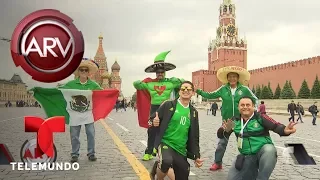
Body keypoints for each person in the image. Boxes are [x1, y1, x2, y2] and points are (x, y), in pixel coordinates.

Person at [218, 96, 297, 180]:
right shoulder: (235, 120)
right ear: (238, 107)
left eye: (248, 105)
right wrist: (223, 129)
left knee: (269, 149)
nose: (245, 107)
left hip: (262, 153)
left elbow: (276, 126)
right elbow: (221, 135)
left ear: (253, 106)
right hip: (245, 156)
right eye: (242, 105)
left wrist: (285, 130)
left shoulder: (260, 117)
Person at [196, 66, 258, 171]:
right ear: (227, 78)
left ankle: (247, 163)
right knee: (222, 143)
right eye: (230, 77)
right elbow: (211, 95)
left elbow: (255, 99)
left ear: (238, 78)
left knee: (244, 143)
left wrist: (251, 112)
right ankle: (217, 163)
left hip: (241, 120)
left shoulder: (244, 89)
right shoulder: (223, 89)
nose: (232, 79)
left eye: (234, 77)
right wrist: (198, 91)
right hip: (228, 122)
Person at [133, 50, 184, 161]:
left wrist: (177, 80)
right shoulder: (150, 84)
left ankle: (166, 152)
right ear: (155, 73)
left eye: (161, 72)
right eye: (158, 72)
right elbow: (136, 84)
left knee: (166, 131)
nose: (160, 74)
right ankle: (149, 152)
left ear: (164, 73)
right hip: (154, 109)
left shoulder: (170, 83)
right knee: (151, 130)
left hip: (166, 109)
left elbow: (183, 83)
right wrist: (145, 80)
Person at [150, 81, 203, 180]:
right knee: (166, 161)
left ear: (193, 93)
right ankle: (158, 177)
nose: (185, 91)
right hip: (166, 143)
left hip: (181, 149)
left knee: (181, 175)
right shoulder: (168, 105)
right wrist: (154, 122)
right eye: (183, 89)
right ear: (179, 92)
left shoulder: (194, 112)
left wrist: (197, 156)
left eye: (188, 89)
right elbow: (152, 119)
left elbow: (195, 135)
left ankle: (159, 165)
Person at [58, 59, 103, 163]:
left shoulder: (93, 85)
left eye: (85, 70)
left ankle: (91, 154)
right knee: (74, 135)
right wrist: (39, 90)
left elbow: (102, 93)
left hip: (88, 114)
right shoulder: (71, 84)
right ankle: (74, 154)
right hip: (74, 114)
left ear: (88, 72)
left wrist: (114, 93)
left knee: (91, 133)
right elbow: (58, 91)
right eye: (81, 70)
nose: (83, 72)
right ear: (78, 72)